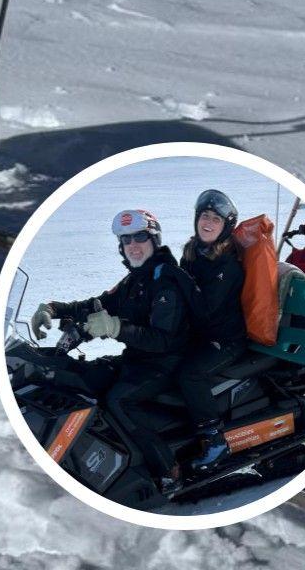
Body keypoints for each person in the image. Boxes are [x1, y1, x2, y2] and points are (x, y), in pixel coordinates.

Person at [30, 209, 192, 491]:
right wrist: (53, 309)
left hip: (166, 365)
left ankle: (169, 470)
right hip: (137, 361)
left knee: (120, 401)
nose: (133, 245)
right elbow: (97, 304)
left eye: (140, 237)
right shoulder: (136, 279)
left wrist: (116, 328)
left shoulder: (167, 281)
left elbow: (164, 340)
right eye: (126, 240)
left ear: (154, 239)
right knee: (84, 379)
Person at [176, 189, 246, 473]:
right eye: (204, 215)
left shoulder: (226, 263)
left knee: (189, 373)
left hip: (226, 339)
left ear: (225, 226)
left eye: (215, 219)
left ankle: (214, 439)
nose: (208, 222)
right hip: (201, 333)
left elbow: (203, 308)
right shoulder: (192, 253)